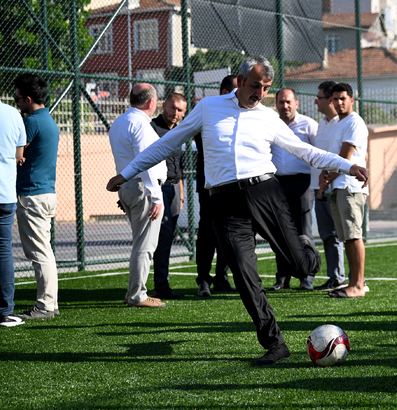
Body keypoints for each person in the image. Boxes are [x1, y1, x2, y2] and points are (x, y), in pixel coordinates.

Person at [106, 56, 368, 365]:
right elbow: (168, 143)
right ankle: (275, 344)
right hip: (225, 203)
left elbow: (306, 151)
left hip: (265, 193)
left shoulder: (268, 117)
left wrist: (347, 166)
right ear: (240, 82)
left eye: (266, 88)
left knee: (300, 267)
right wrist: (127, 172)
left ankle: (306, 253)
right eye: (256, 85)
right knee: (245, 276)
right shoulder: (208, 108)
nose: (260, 93)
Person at [109, 83, 167, 308]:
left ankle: (134, 292)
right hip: (143, 186)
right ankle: (137, 295)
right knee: (145, 245)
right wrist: (156, 196)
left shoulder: (120, 121)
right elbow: (147, 162)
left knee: (140, 243)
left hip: (129, 186)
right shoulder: (140, 124)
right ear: (151, 102)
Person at [13, 73, 61, 320]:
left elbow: (17, 155)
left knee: (39, 253)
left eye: (18, 98)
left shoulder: (31, 123)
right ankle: (49, 304)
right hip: (44, 193)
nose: (16, 103)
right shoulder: (49, 120)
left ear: (28, 99)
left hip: (32, 195)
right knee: (45, 251)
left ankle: (45, 306)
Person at [320, 83, 369, 298]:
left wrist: (328, 177)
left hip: (350, 187)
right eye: (336, 99)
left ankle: (358, 285)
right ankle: (354, 283)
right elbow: (333, 160)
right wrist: (326, 176)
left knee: (354, 235)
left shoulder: (354, 122)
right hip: (338, 186)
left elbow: (344, 159)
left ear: (352, 100)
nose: (339, 103)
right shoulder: (337, 124)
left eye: (343, 98)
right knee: (347, 237)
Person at [268, 88, 318, 292]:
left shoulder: (309, 125)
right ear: (276, 104)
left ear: (296, 103)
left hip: (302, 183)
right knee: (280, 231)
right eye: (281, 102)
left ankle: (307, 276)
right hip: (277, 183)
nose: (285, 106)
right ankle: (282, 277)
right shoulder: (270, 124)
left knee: (304, 231)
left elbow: (319, 153)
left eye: (288, 102)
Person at [194, 75, 238, 297]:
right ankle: (203, 279)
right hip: (210, 185)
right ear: (224, 92)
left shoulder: (240, 115)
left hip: (233, 184)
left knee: (228, 231)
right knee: (207, 233)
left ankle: (222, 277)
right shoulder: (207, 112)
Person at [310, 81, 347, 292]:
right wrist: (320, 186)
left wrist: (327, 181)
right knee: (327, 235)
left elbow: (343, 158)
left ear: (329, 100)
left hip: (336, 186)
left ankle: (345, 278)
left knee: (341, 235)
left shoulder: (342, 124)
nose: (316, 100)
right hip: (321, 187)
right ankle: (335, 276)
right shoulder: (322, 124)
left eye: (319, 97)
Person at [150, 92, 187, 300]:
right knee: (162, 236)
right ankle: (159, 286)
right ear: (164, 106)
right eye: (172, 108)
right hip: (157, 188)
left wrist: (180, 196)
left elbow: (179, 167)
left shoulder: (180, 130)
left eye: (180, 110)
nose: (175, 113)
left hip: (173, 190)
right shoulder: (152, 128)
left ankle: (161, 284)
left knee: (168, 237)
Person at [0, 77, 27, 327]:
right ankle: (5, 311)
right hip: (3, 193)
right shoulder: (12, 114)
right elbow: (20, 155)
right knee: (2, 251)